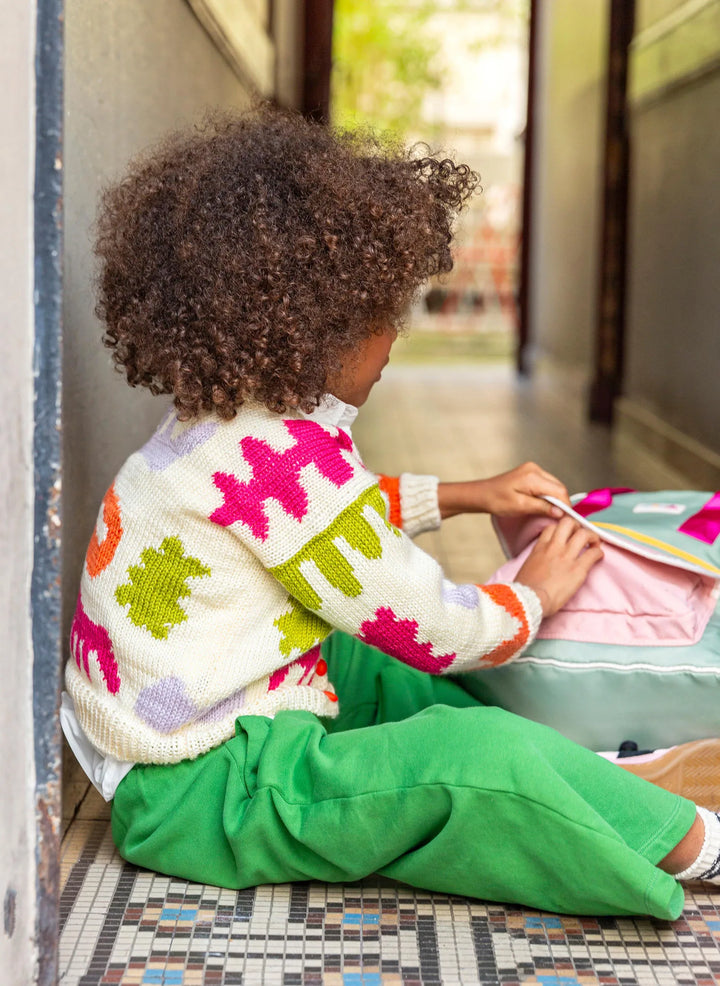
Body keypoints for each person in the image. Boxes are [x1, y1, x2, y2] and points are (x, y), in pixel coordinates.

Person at [61, 107, 720, 919]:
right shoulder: (286, 466)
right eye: (388, 316)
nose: (396, 337)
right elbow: (434, 629)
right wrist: (532, 598)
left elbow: (314, 525)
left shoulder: (228, 427)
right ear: (322, 333)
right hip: (204, 791)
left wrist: (467, 494)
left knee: (369, 671)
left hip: (195, 734)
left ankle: (578, 776)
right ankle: (691, 840)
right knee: (467, 754)